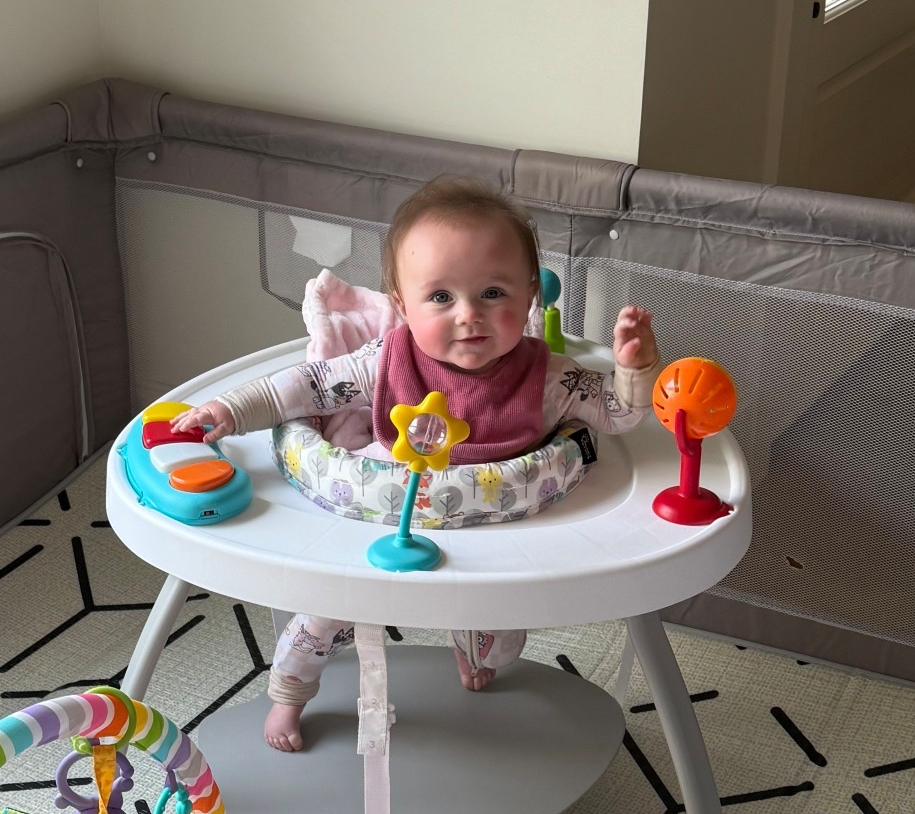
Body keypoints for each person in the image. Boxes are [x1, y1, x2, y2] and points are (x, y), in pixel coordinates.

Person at [172, 175, 659, 751]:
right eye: (441, 297)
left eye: (493, 293)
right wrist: (232, 410)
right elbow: (306, 387)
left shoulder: (548, 376)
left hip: (496, 531)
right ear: (402, 306)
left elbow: (615, 414)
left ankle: (474, 652)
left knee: (500, 632)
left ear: (531, 296)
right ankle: (289, 696)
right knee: (323, 614)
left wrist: (633, 371)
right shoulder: (387, 360)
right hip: (380, 515)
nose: (469, 315)